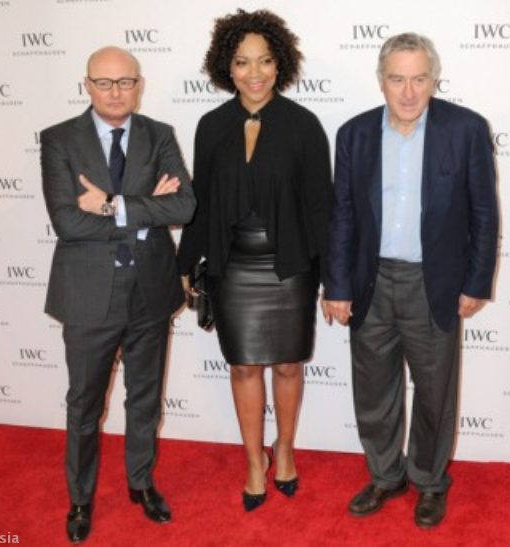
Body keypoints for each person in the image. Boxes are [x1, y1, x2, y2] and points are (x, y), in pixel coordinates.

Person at [324, 33, 498, 528]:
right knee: (373, 389)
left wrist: (476, 281)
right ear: (381, 80)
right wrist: (337, 286)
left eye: (419, 79)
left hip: (433, 283)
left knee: (435, 392)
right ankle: (385, 476)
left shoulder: (465, 129)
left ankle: (429, 480)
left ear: (433, 79)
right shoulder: (354, 134)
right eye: (397, 79)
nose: (408, 92)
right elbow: (342, 216)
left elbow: (485, 212)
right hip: (371, 282)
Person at [177, 9, 332, 512]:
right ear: (228, 66)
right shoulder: (211, 126)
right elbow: (200, 203)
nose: (255, 73)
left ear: (279, 63)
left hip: (290, 266)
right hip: (233, 266)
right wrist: (185, 263)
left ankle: (284, 450)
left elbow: (321, 207)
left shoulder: (304, 125)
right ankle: (252, 461)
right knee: (244, 367)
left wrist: (334, 279)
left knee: (287, 365)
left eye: (264, 60)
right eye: (242, 62)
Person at [41, 46, 195, 543]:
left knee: (145, 398)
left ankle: (141, 483)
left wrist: (111, 204)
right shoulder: (59, 139)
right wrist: (147, 212)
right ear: (87, 85)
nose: (115, 92)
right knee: (84, 405)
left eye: (125, 82)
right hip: (88, 294)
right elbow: (67, 221)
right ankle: (80, 498)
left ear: (139, 84)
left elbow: (185, 206)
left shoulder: (158, 134)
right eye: (104, 83)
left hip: (150, 291)